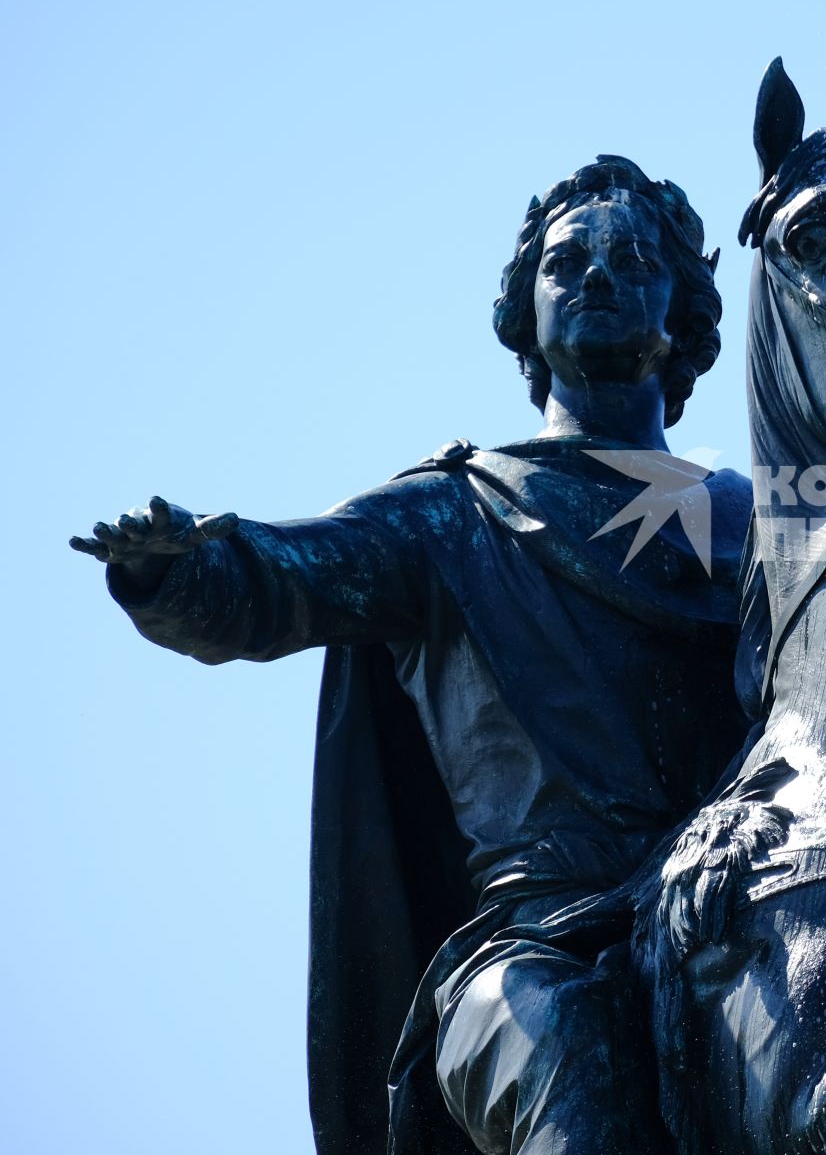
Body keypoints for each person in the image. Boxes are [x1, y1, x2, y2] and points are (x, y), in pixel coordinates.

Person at [70, 156, 752, 1154]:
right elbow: (287, 574)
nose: (598, 276)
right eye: (565, 263)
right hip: (537, 946)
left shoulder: (759, 518)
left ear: (686, 315)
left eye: (634, 258)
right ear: (523, 315)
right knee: (570, 1053)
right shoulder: (450, 513)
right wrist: (181, 569)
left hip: (730, 912)